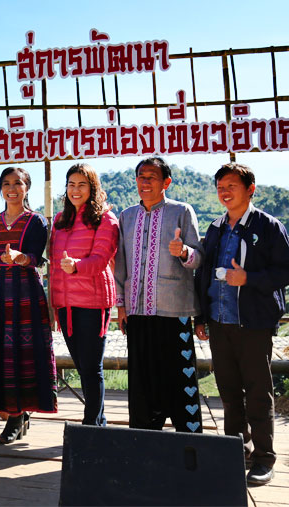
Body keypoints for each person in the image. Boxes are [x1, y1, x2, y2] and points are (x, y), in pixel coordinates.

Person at [195, 162, 289, 486]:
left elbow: (287, 272)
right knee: (228, 393)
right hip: (219, 321)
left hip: (253, 323)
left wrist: (248, 278)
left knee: (257, 393)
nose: (224, 192)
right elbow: (204, 273)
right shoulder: (215, 228)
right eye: (220, 187)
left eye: (231, 186)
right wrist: (201, 317)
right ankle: (236, 453)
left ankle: (264, 459)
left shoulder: (268, 226)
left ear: (250, 189)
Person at [114, 157, 205, 434]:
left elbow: (200, 258)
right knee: (142, 381)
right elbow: (121, 264)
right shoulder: (127, 216)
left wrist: (184, 252)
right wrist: (121, 305)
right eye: (141, 177)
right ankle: (145, 440)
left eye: (151, 177)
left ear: (166, 182)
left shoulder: (182, 211)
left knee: (180, 379)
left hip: (174, 312)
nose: (145, 182)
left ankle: (189, 442)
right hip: (138, 312)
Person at [0, 167, 57, 444]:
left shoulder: (36, 221)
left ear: (27, 187)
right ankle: (13, 413)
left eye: (18, 183)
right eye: (6, 184)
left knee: (24, 353)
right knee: (1, 352)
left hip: (25, 294)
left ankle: (17, 416)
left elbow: (36, 257)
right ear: (1, 188)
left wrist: (21, 258)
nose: (12, 189)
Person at [49, 163, 118, 427]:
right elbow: (54, 264)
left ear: (93, 188)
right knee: (82, 367)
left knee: (91, 368)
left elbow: (101, 259)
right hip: (65, 304)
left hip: (93, 302)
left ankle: (91, 426)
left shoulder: (106, 219)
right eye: (71, 184)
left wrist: (77, 265)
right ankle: (98, 423)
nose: (75, 190)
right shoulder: (60, 220)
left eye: (82, 184)